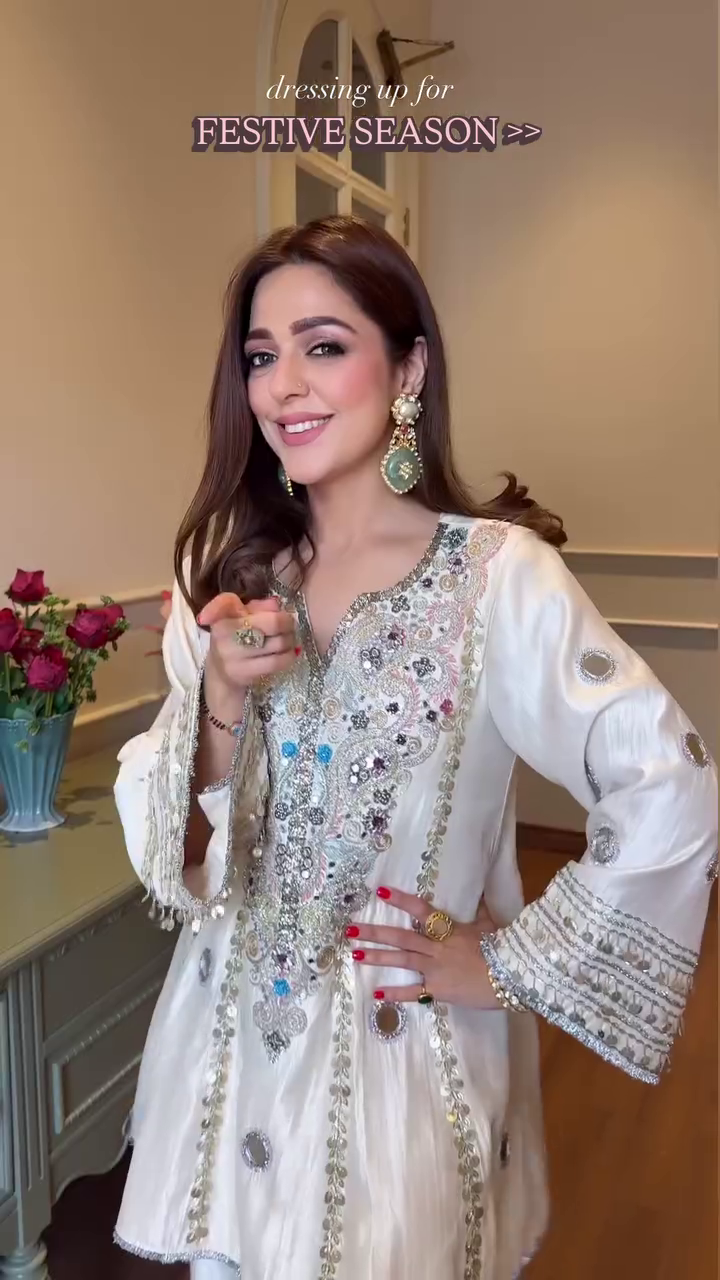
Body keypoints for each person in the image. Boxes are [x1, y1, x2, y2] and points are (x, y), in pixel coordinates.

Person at [112, 215, 718, 1280]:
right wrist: (219, 696)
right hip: (226, 1050)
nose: (284, 386)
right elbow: (185, 857)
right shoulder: (220, 568)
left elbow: (671, 778)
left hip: (397, 1064)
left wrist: (510, 961)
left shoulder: (496, 577)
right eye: (261, 355)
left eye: (324, 345)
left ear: (409, 368)